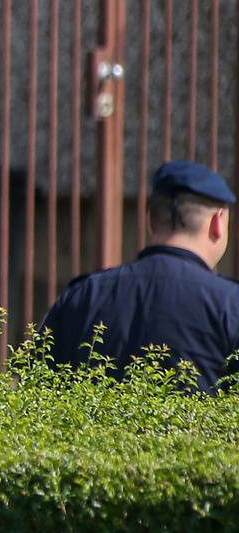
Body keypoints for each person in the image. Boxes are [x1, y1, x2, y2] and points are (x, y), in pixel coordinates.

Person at [42, 159, 239, 393]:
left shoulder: (84, 295)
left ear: (150, 220)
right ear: (217, 223)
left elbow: (38, 391)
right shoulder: (231, 304)